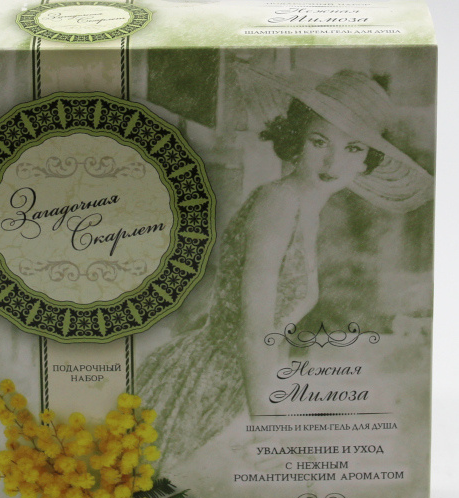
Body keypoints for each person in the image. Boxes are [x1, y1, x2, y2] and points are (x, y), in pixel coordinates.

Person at [135, 70, 433, 470]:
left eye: (352, 148)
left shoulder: (307, 207)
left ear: (366, 160)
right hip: (211, 382)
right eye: (319, 142)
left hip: (251, 384)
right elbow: (254, 330)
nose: (333, 162)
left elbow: (294, 317)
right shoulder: (277, 203)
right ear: (296, 138)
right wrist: (267, 434)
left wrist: (394, 322)